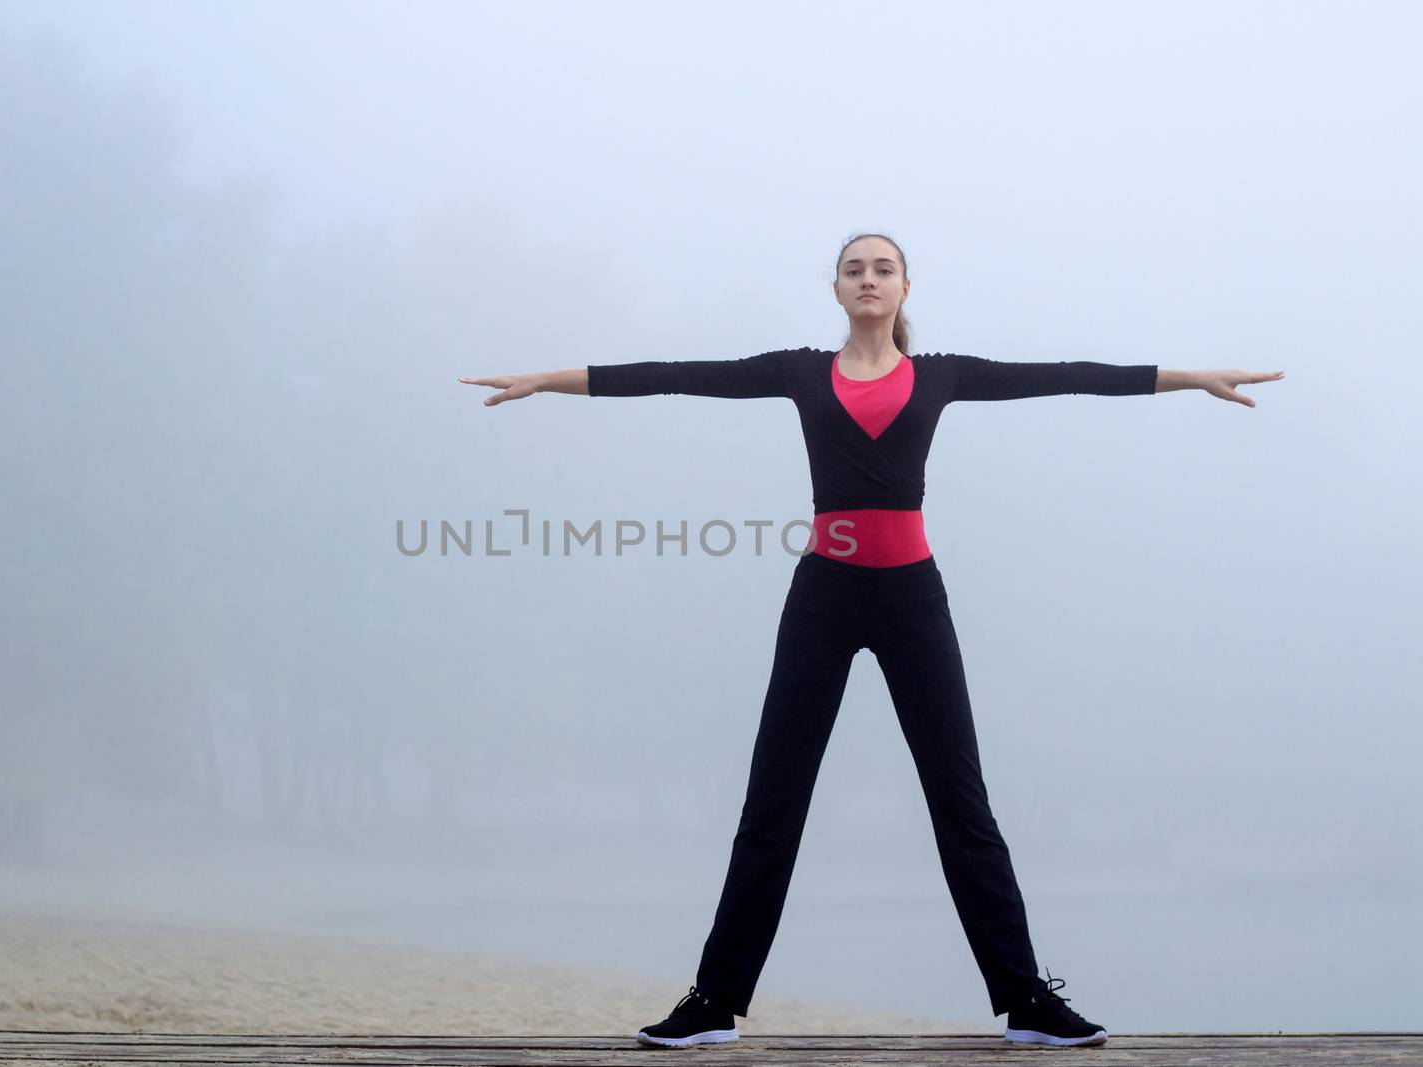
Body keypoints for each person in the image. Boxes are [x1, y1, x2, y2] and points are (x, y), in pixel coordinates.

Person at [458, 232, 1284, 1049]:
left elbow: (1066, 378)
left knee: (962, 803)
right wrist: (548, 382)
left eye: (882, 269)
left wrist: (1189, 379)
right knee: (773, 801)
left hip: (912, 600)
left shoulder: (943, 376)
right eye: (854, 269)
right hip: (823, 595)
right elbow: (676, 377)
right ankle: (713, 1002)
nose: (867, 279)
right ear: (838, 289)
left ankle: (1027, 999)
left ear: (905, 288)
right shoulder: (796, 370)